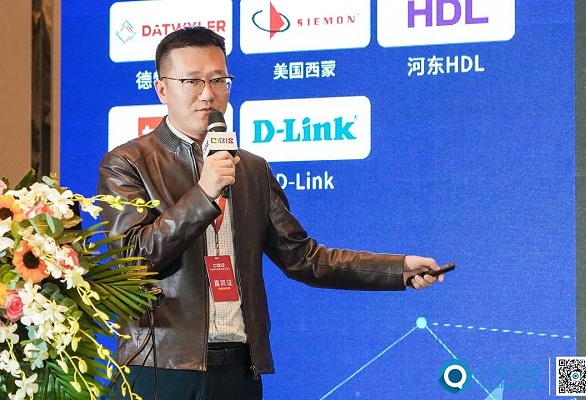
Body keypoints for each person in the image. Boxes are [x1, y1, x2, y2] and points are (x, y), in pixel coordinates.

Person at [98, 26, 445, 400]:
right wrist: (203, 193)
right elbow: (131, 260)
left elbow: (304, 258)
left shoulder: (251, 169)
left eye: (218, 80)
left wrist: (397, 269)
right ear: (162, 89)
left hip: (239, 370)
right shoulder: (128, 163)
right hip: (159, 366)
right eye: (192, 81)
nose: (207, 94)